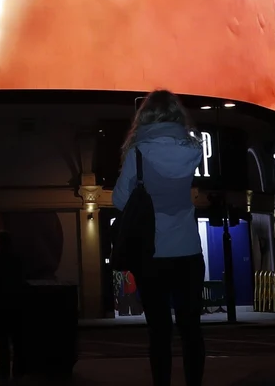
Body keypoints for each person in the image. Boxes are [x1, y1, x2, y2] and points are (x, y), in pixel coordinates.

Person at [113, 90, 207, 386]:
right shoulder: (192, 150)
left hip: (152, 255)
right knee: (191, 329)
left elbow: (119, 200)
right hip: (189, 251)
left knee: (159, 332)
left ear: (146, 117)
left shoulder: (138, 153)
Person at [0, 232, 27, 380]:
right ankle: (18, 371)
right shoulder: (17, 260)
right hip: (15, 307)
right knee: (17, 343)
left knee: (3, 344)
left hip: (0, 307)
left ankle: (3, 372)